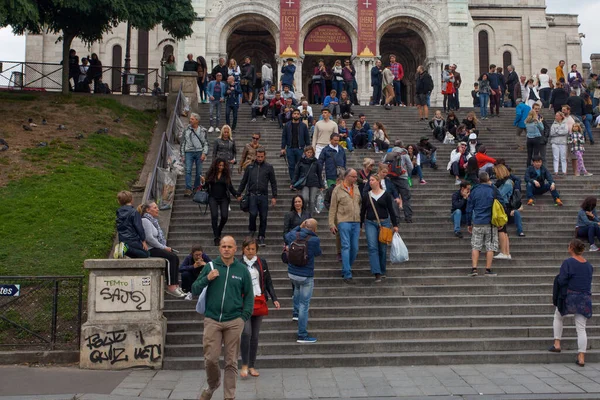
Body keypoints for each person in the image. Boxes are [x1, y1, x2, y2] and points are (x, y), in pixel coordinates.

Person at [192, 236, 253, 400]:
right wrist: (207, 278)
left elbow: (249, 296)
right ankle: (213, 384)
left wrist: (243, 317)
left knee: (231, 362)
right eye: (223, 246)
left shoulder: (242, 270)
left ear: (235, 249)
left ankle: (229, 396)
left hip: (234, 321)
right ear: (219, 248)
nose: (226, 249)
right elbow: (194, 288)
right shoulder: (210, 267)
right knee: (211, 359)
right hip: (212, 320)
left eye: (229, 246)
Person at [239, 237, 279, 378]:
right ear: (243, 249)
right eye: (248, 249)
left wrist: (274, 298)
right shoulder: (238, 264)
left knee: (255, 336)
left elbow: (268, 281)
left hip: (259, 300)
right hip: (243, 303)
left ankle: (252, 365)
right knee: (246, 333)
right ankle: (244, 365)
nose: (250, 251)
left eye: (253, 249)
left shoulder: (262, 263)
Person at [549, 238, 593, 367]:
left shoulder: (568, 263)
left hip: (570, 297)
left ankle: (557, 343)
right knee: (581, 328)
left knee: (558, 316)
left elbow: (562, 280)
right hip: (584, 298)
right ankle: (581, 357)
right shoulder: (589, 265)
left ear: (571, 248)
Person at [285, 219, 322, 342]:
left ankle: (295, 313)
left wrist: (298, 227)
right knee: (304, 305)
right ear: (315, 229)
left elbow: (286, 235)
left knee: (296, 289)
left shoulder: (293, 235)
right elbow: (318, 253)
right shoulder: (315, 240)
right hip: (306, 275)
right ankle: (302, 334)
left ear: (304, 225)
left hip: (292, 273)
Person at [139, 202, 185, 298]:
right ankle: (170, 286)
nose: (157, 209)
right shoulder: (145, 220)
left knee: (175, 257)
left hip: (155, 247)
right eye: (155, 207)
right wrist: (163, 247)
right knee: (170, 258)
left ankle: (176, 284)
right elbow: (149, 238)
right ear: (148, 210)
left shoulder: (152, 221)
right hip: (150, 249)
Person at [361, 173, 399, 282]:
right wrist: (360, 225)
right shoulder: (366, 195)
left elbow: (391, 210)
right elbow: (362, 211)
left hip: (384, 223)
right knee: (372, 247)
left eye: (372, 180)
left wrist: (395, 225)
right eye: (370, 180)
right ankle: (376, 272)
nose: (370, 182)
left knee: (382, 247)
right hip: (370, 222)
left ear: (378, 181)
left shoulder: (386, 195)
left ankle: (382, 270)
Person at [238, 149, 278, 246]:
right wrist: (238, 193)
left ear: (264, 156)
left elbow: (273, 182)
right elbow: (244, 181)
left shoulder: (269, 167)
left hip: (263, 196)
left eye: (262, 156)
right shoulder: (250, 167)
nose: (260, 158)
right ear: (255, 156)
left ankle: (261, 236)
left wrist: (274, 196)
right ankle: (252, 231)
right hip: (252, 195)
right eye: (258, 156)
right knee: (253, 214)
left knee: (263, 217)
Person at [329, 169, 361, 284]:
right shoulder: (337, 189)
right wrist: (332, 223)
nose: (355, 178)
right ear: (347, 177)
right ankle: (347, 273)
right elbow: (333, 207)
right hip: (343, 221)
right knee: (346, 246)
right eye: (353, 176)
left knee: (355, 248)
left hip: (356, 221)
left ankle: (346, 267)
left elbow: (359, 203)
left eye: (356, 177)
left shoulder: (356, 188)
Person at [466, 171, 500, 277]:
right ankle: (488, 269)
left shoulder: (474, 191)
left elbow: (469, 209)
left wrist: (469, 224)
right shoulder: (493, 190)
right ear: (488, 179)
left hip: (477, 222)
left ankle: (474, 269)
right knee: (490, 246)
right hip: (490, 222)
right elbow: (502, 202)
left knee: (476, 246)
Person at [203, 158, 240, 245]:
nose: (221, 167)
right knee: (214, 216)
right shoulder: (210, 174)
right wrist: (203, 182)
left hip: (224, 198)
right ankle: (216, 236)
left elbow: (230, 187)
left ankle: (219, 230)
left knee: (224, 216)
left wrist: (236, 195)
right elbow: (206, 187)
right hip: (213, 197)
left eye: (222, 166)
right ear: (216, 165)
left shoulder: (226, 175)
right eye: (219, 165)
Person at [383, 141, 414, 223]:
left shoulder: (389, 154)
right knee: (406, 198)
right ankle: (408, 217)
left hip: (391, 179)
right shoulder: (404, 154)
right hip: (403, 179)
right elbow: (410, 166)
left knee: (394, 198)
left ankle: (396, 218)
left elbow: (383, 164)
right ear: (401, 146)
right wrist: (407, 174)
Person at [180, 113, 209, 196]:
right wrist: (182, 154)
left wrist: (204, 153)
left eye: (192, 119)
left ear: (197, 120)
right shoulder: (186, 130)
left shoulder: (203, 130)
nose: (190, 120)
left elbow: (206, 143)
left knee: (199, 171)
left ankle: (196, 187)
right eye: (190, 119)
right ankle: (188, 188)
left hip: (199, 152)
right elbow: (183, 142)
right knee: (188, 170)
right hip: (188, 152)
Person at [114, 191, 148, 259]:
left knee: (134, 255)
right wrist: (143, 240)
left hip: (122, 240)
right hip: (133, 240)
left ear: (119, 202)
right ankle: (126, 248)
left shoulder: (119, 213)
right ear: (131, 199)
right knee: (146, 254)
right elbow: (139, 227)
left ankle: (122, 249)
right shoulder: (134, 212)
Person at [281, 108, 311, 182]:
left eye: (298, 114)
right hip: (290, 148)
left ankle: (299, 181)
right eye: (295, 113)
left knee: (300, 166)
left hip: (300, 149)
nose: (296, 115)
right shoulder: (287, 125)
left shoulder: (303, 126)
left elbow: (307, 137)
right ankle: (293, 182)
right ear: (292, 115)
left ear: (300, 115)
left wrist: (308, 148)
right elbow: (284, 137)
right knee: (291, 166)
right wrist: (282, 148)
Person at [293, 146, 324, 212]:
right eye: (308, 152)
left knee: (312, 201)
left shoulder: (316, 162)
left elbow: (319, 174)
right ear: (305, 153)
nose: (309, 154)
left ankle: (310, 216)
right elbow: (296, 173)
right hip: (304, 183)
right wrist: (293, 183)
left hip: (314, 183)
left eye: (311, 152)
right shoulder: (301, 162)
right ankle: (304, 213)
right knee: (305, 198)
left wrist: (321, 185)